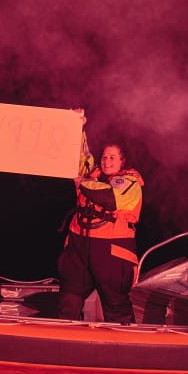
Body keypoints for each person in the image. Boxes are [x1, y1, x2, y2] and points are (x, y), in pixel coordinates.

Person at [58, 110, 145, 324]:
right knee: (69, 298)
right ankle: (64, 336)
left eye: (112, 157)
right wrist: (77, 127)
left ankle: (125, 340)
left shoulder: (129, 182)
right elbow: (79, 157)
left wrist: (83, 183)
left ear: (122, 161)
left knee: (115, 304)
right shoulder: (92, 174)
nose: (106, 161)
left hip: (111, 249)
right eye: (105, 157)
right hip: (79, 245)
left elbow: (109, 198)